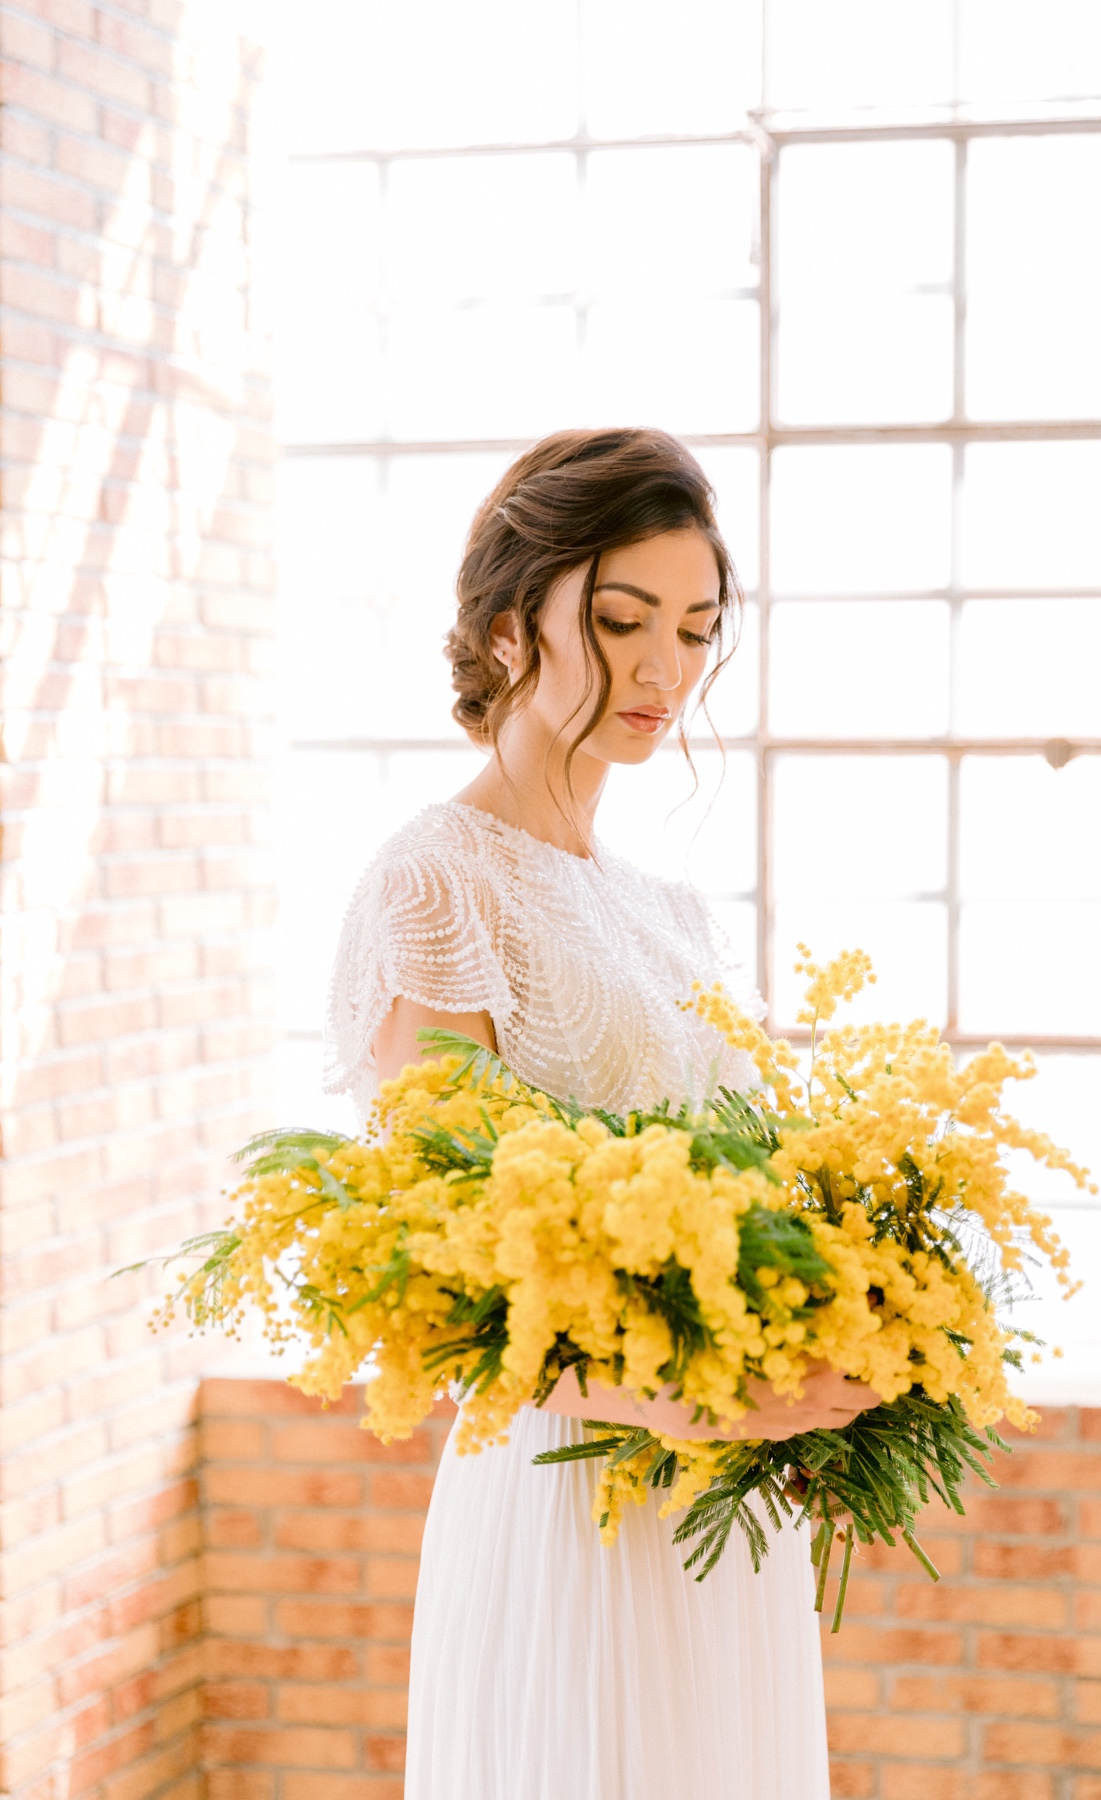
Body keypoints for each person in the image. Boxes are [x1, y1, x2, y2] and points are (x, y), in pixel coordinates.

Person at [324, 427, 877, 1800]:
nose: (665, 670)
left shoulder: (667, 911)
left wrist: (824, 1354)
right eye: (622, 619)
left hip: (720, 1519)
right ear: (512, 621)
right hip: (568, 1496)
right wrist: (684, 1400)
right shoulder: (435, 881)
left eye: (695, 630)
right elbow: (435, 1263)